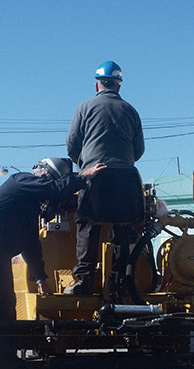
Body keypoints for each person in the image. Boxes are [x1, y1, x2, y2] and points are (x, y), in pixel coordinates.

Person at [0, 157, 105, 369]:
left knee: (5, 305)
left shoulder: (28, 209)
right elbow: (53, 189)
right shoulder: (21, 181)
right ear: (44, 175)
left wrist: (40, 277)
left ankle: (5, 361)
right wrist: (82, 178)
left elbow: (32, 246)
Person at [64, 60, 145, 295]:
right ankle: (123, 280)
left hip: (95, 177)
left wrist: (85, 166)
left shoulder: (84, 107)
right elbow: (138, 151)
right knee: (124, 227)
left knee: (87, 224)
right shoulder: (131, 111)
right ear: (119, 86)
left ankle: (84, 281)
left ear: (97, 84)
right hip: (127, 179)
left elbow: (72, 145)